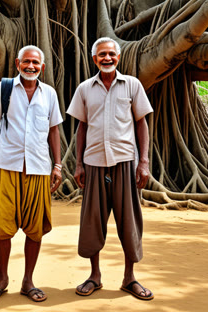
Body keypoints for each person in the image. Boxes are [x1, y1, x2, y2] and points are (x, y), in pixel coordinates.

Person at [67, 37, 154, 301]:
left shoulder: (132, 85)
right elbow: (82, 126)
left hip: (125, 161)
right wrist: (78, 163)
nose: (107, 58)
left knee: (129, 221)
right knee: (93, 221)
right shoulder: (84, 89)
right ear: (94, 59)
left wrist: (144, 161)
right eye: (101, 55)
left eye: (111, 54)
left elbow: (142, 123)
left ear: (118, 57)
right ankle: (95, 275)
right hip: (93, 163)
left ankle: (130, 278)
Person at [0, 45, 63, 303]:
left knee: (35, 229)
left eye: (35, 63)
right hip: (7, 166)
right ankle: (2, 279)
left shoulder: (49, 93)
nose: (31, 66)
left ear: (42, 66)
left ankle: (28, 281)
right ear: (18, 63)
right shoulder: (4, 88)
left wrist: (58, 166)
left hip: (38, 168)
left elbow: (54, 131)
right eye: (26, 62)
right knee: (2, 228)